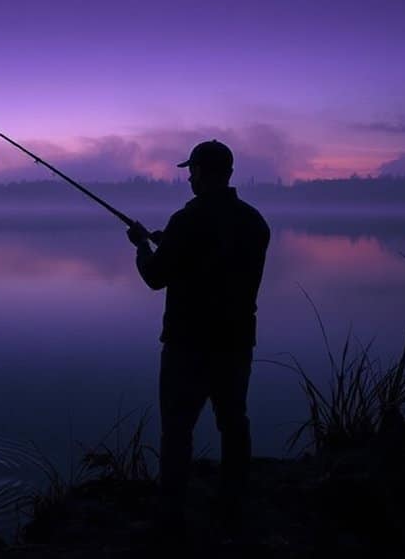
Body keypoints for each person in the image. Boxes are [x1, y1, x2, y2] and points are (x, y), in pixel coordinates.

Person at [127, 140, 270, 534]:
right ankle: (232, 503)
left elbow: (156, 276)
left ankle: (170, 515)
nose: (189, 177)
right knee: (233, 422)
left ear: (204, 173)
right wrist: (165, 242)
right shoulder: (255, 223)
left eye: (192, 171)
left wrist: (142, 247)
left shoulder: (187, 221)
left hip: (187, 345)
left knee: (176, 430)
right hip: (237, 342)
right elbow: (214, 258)